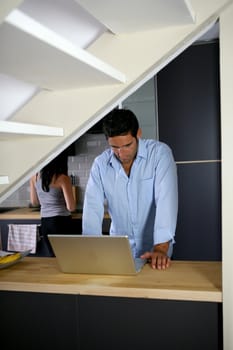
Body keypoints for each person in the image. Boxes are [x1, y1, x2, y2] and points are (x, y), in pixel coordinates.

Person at [82, 108, 178, 270]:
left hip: (155, 253)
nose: (121, 153)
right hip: (119, 252)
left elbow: (166, 201)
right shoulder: (100, 164)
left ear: (138, 134)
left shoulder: (160, 154)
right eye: (114, 147)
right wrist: (92, 250)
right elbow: (92, 208)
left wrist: (161, 248)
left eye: (127, 145)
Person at [30, 153, 76, 256]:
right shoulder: (63, 178)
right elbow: (71, 207)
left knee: (53, 256)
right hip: (61, 222)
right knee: (67, 255)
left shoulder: (34, 176)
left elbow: (34, 202)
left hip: (45, 221)